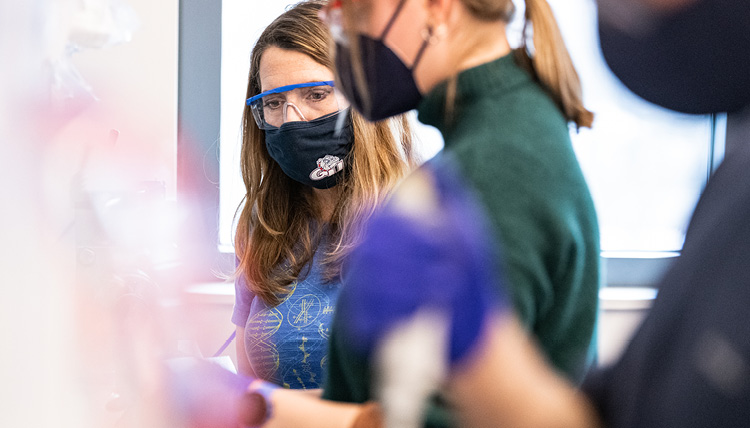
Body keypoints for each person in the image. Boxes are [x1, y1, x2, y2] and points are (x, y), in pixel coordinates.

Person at [320, 0, 600, 420]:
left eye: (358, 12)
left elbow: (432, 416)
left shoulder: (497, 165)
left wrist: (265, 408)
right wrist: (254, 403)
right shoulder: (504, 127)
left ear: (438, 8)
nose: (346, 39)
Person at [231, 0, 415, 390]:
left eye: (316, 94)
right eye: (274, 103)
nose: (291, 121)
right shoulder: (261, 225)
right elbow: (252, 384)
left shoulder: (419, 217)